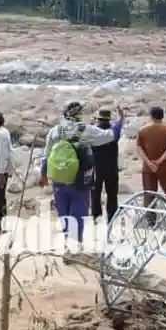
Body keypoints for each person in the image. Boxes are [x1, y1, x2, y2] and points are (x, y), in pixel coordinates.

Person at [40, 101, 117, 246]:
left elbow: (46, 154)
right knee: (78, 210)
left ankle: (67, 239)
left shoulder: (55, 130)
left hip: (59, 177)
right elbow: (109, 136)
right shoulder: (86, 129)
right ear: (80, 114)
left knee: (63, 210)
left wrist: (43, 174)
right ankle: (75, 242)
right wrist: (120, 122)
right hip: (79, 178)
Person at [90, 107, 126, 220]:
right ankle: (111, 217)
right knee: (112, 194)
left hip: (96, 168)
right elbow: (119, 124)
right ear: (108, 119)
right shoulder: (113, 132)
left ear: (98, 119)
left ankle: (96, 216)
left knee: (95, 193)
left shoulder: (93, 132)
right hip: (111, 167)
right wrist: (121, 116)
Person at [137, 106, 166, 197]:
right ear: (162, 116)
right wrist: (159, 161)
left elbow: (139, 148)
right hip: (164, 167)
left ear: (151, 116)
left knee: (149, 195)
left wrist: (149, 162)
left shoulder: (143, 130)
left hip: (148, 167)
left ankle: (151, 207)